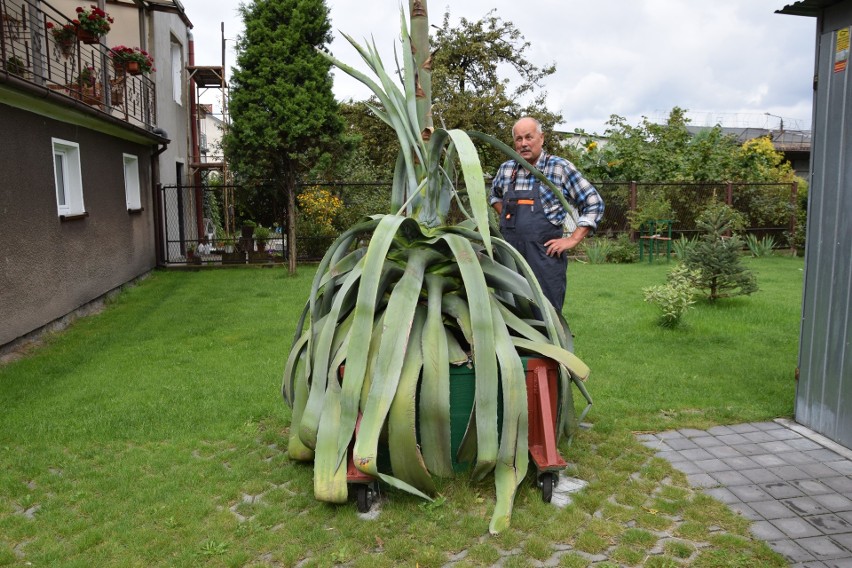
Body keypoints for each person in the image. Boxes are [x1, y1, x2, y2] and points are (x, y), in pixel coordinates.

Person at [490, 116, 604, 311]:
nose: (524, 144)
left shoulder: (559, 168)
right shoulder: (506, 170)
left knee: (545, 318)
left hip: (544, 262)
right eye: (519, 139)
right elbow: (495, 197)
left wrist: (573, 239)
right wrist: (508, 218)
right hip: (510, 261)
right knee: (510, 319)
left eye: (529, 137)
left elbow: (594, 202)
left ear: (541, 138)